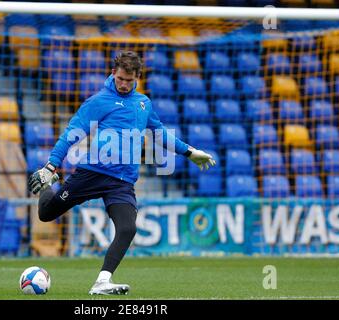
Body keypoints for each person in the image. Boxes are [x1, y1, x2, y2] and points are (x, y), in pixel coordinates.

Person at [27, 51, 216, 295]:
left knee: (127, 228)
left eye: (129, 80)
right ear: (113, 74)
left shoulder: (143, 103)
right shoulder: (99, 101)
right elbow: (72, 132)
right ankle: (48, 185)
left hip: (122, 182)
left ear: (138, 76)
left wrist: (190, 152)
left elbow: (159, 133)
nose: (124, 84)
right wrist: (52, 165)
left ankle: (102, 281)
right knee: (45, 213)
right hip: (92, 173)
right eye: (120, 79)